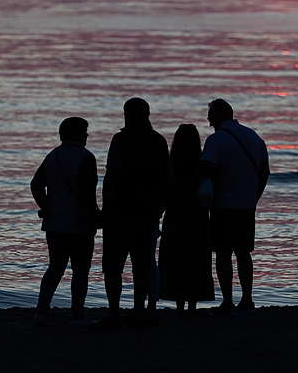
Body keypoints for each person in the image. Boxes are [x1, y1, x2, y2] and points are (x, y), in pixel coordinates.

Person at [101, 98, 170, 325]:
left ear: (126, 115)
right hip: (147, 212)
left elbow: (112, 176)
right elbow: (165, 178)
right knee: (142, 264)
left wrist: (105, 209)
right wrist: (160, 206)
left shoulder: (120, 140)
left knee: (113, 265)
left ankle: (114, 312)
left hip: (120, 211)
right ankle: (139, 309)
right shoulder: (158, 141)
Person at [200, 99, 270, 313]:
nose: (208, 119)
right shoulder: (253, 137)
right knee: (243, 253)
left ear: (218, 116)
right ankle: (247, 298)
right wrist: (254, 196)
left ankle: (228, 300)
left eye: (210, 115)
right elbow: (264, 171)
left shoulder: (216, 140)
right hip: (247, 205)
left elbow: (206, 169)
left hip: (222, 205)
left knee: (223, 253)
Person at [30, 117, 99, 326]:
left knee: (55, 268)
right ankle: (77, 315)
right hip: (79, 224)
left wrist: (46, 207)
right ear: (79, 134)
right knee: (80, 271)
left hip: (55, 223)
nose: (87, 135)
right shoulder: (86, 157)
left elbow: (36, 184)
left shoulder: (53, 156)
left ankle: (41, 311)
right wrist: (94, 217)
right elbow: (88, 195)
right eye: (85, 131)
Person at [159, 124, 215, 314]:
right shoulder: (202, 165)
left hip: (174, 215)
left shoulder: (170, 164)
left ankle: (178, 302)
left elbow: (164, 193)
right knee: (195, 259)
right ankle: (193, 302)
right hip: (197, 217)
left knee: (174, 258)